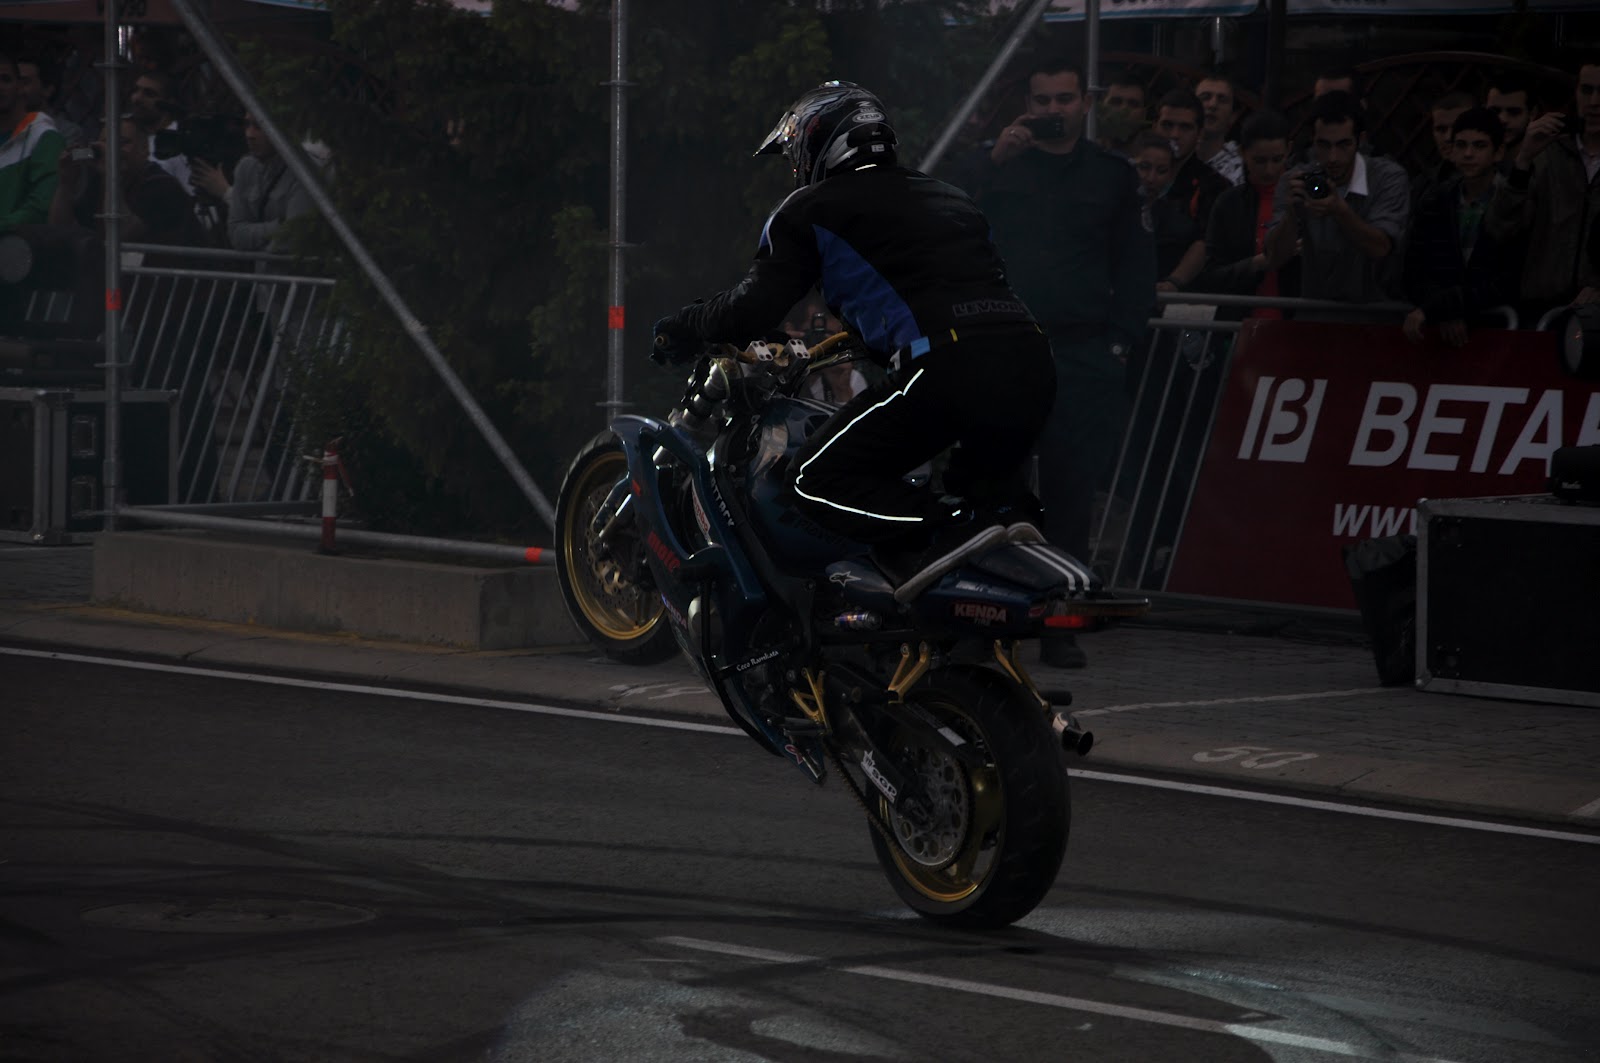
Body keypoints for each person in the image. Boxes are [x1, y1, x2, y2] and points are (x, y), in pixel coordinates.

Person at [651, 81, 1056, 607]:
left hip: (948, 367)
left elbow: (750, 309)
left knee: (814, 481)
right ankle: (968, 595)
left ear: (816, 144)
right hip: (1032, 361)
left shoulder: (808, 208)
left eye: (794, 156)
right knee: (987, 496)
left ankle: (940, 531)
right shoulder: (952, 199)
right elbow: (945, 289)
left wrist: (685, 325)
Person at [950, 57, 1155, 667]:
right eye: (1042, 101)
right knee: (993, 489)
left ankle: (1060, 623)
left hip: (1080, 354)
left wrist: (1119, 344)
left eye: (1064, 99)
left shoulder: (1111, 176)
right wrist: (993, 161)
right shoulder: (998, 163)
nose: (1052, 111)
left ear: (1084, 104)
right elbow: (944, 212)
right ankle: (982, 618)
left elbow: (1136, 265)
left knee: (1070, 494)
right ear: (1028, 105)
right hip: (1006, 349)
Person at [1263, 90, 1409, 310]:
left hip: (1376, 315)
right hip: (1316, 314)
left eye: (1343, 144)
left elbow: (1381, 248)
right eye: (1323, 145)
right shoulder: (1296, 181)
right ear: (1313, 142)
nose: (1333, 157)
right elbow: (1274, 258)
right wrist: (1292, 215)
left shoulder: (1387, 177)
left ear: (1360, 141)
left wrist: (1340, 211)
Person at [1485, 58, 1600, 318]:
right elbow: (1500, 228)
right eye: (1586, 90)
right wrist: (1524, 160)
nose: (1594, 101)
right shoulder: (1548, 153)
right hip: (1541, 306)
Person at [1403, 107, 1521, 348]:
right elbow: (1414, 270)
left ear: (1498, 152)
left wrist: (1442, 307)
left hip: (1496, 331)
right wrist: (1443, 309)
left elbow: (1508, 278)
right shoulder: (1434, 201)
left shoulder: (1512, 203)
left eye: (1479, 146)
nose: (1468, 154)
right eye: (1461, 145)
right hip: (1439, 331)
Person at [1197, 109, 1300, 317]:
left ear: (1289, 150)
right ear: (1242, 153)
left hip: (1294, 319)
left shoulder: (1303, 198)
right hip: (1242, 320)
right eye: (1260, 161)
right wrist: (1258, 263)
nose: (1269, 170)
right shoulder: (1228, 204)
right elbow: (1210, 275)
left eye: (1277, 159)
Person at [48, 113, 202, 247]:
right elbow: (61, 230)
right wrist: (65, 183)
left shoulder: (161, 185)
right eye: (105, 143)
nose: (112, 150)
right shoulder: (97, 181)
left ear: (144, 149)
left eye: (121, 143)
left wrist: (110, 174)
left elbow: (124, 233)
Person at [0, 52, 64, 234]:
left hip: (19, 246)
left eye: (5, 80)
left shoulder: (45, 137)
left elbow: (40, 208)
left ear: (20, 86)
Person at [1154, 89, 1229, 243]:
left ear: (1200, 134)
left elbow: (1206, 242)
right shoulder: (1134, 175)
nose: (1175, 135)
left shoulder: (1214, 187)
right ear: (1155, 127)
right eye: (1167, 125)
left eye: (1185, 127)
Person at [1133, 132, 1204, 294]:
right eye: (1144, 167)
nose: (1151, 178)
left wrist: (1173, 282)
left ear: (1171, 175)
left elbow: (1200, 245)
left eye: (1161, 171)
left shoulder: (1174, 214)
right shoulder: (1108, 209)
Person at [1412, 90, 1475, 205]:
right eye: (1441, 129)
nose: (1448, 137)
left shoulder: (1498, 179)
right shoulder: (1423, 184)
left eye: (1458, 127)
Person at [16, 53, 84, 149]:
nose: (17, 89)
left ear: (47, 90)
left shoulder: (66, 132)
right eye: (13, 82)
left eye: (24, 82)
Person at [1194, 71, 1243, 187]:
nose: (1213, 105)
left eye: (1222, 100)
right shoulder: (1167, 158)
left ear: (1233, 116)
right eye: (1205, 98)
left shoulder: (1242, 172)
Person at [1484, 71, 1540, 166]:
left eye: (1514, 112)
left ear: (1532, 113)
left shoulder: (1551, 161)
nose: (1502, 119)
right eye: (1494, 111)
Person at [1096, 70, 1148, 160]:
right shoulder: (1083, 154)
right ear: (1101, 109)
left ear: (1144, 114)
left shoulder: (1156, 160)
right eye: (1116, 102)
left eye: (1133, 104)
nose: (1123, 110)